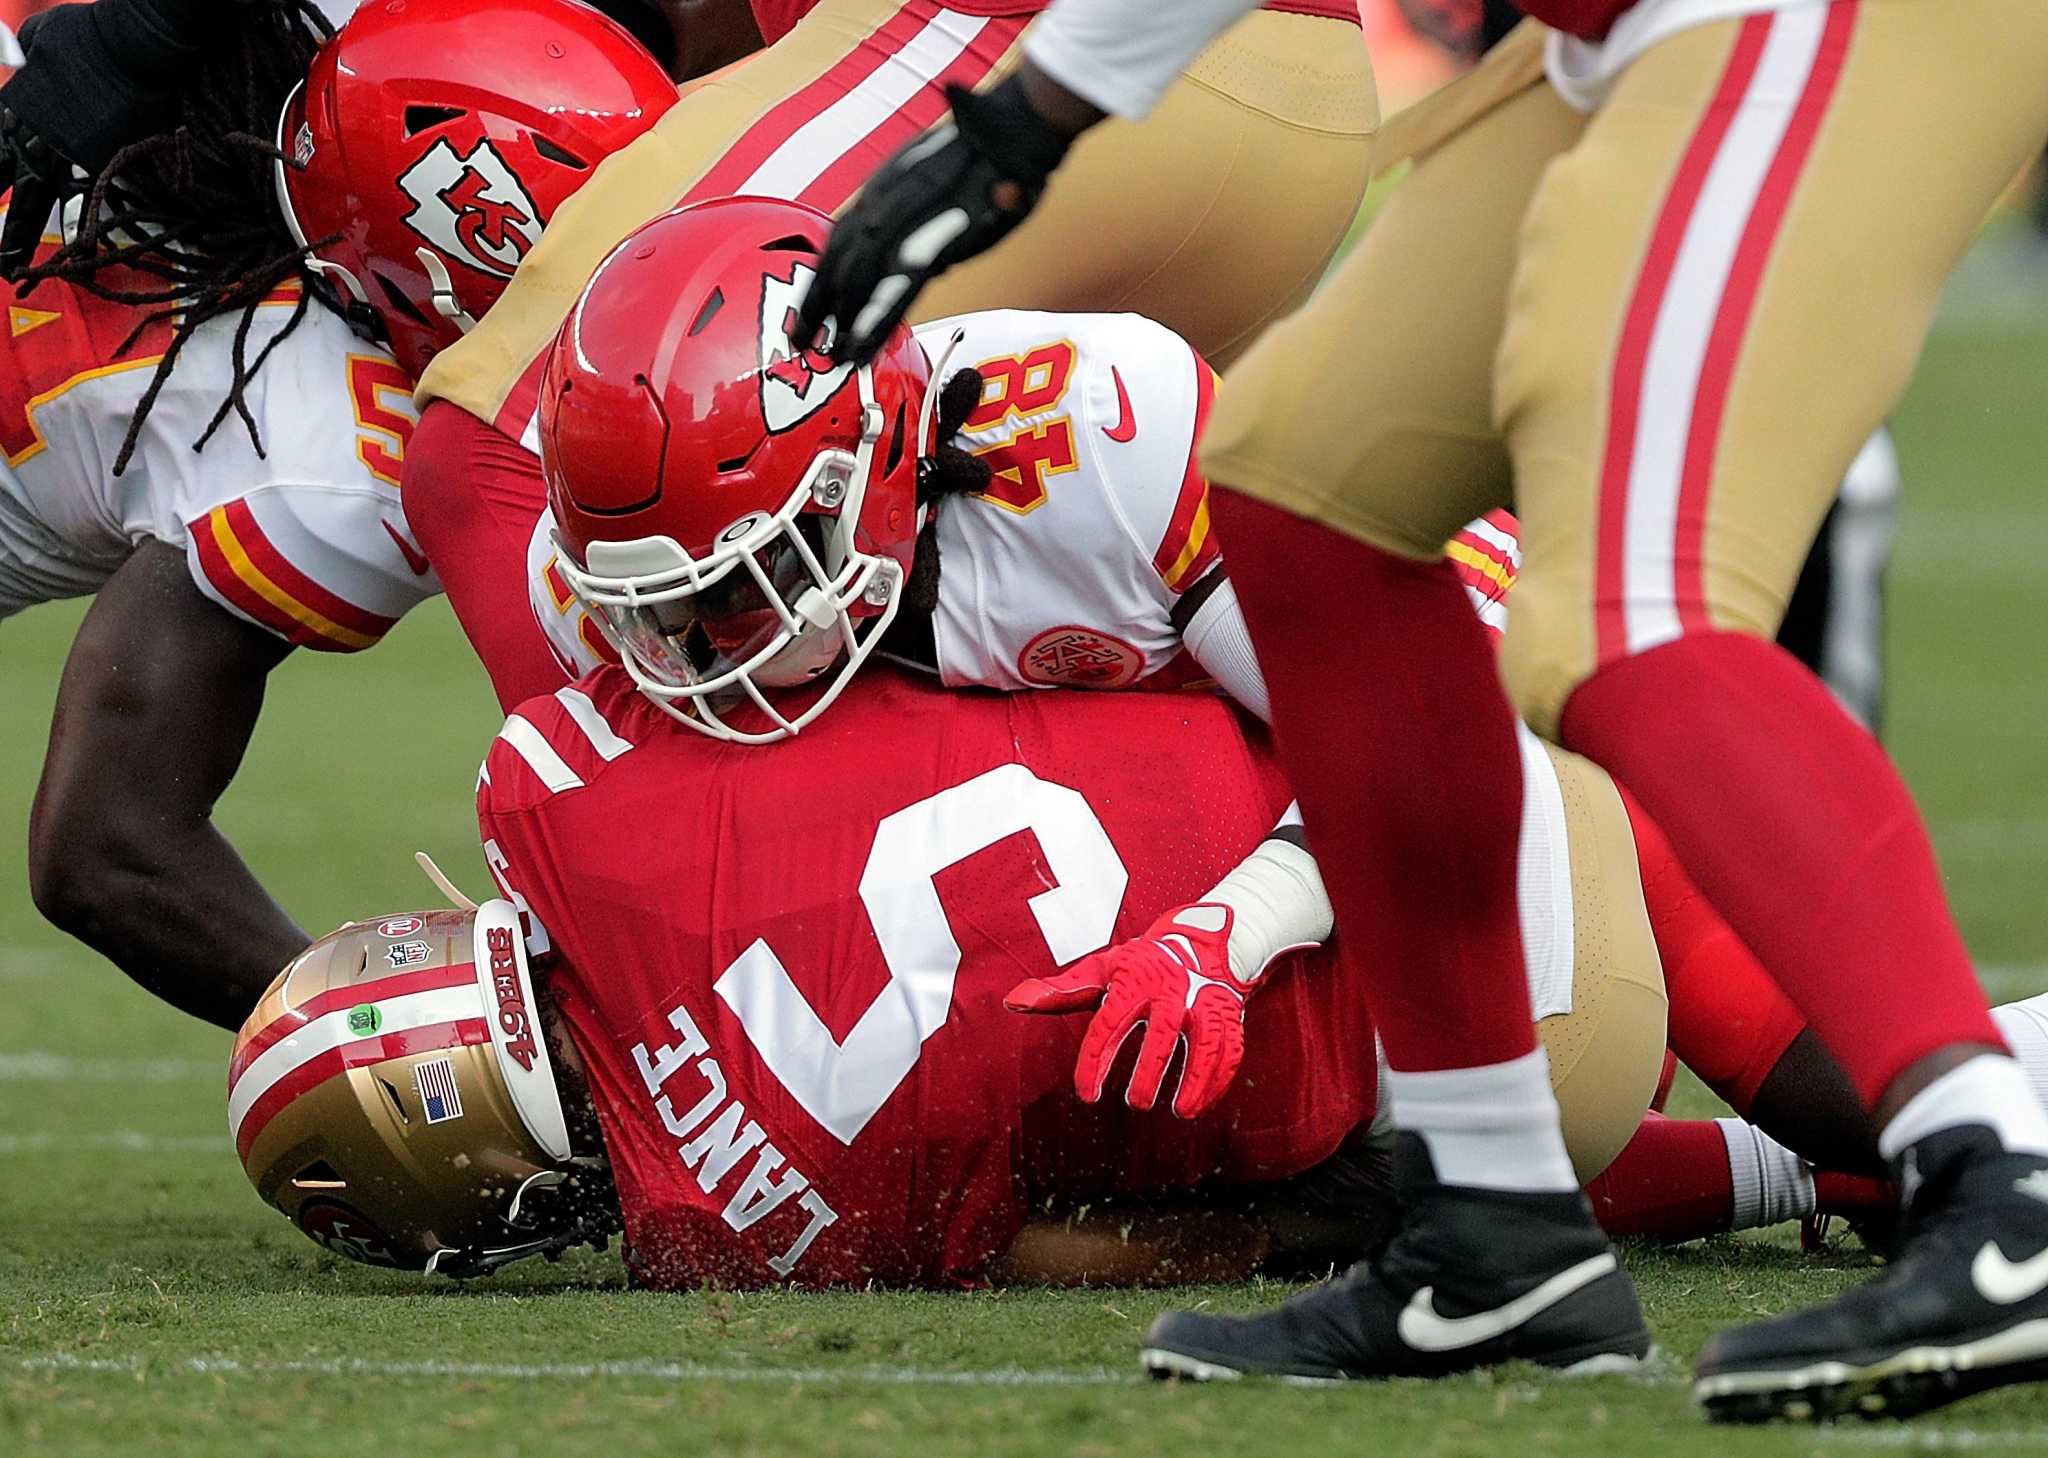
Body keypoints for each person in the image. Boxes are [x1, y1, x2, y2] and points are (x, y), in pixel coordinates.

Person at [791, 0, 2048, 1422]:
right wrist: (1035, 115)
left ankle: (1997, 1182)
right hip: (1608, 43)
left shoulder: (1049, 449)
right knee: (1300, 493)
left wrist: (1036, 112)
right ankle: (1493, 1223)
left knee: (1624, 616)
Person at [395, 0, 1375, 712]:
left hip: (1024, 51)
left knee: (504, 451)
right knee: (920, 558)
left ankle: (674, 945)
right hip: (1299, 104)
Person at [0, 0, 444, 1031]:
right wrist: (410, 1052)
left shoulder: (327, 459)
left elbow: (109, 854)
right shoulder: (337, 461)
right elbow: (105, 852)